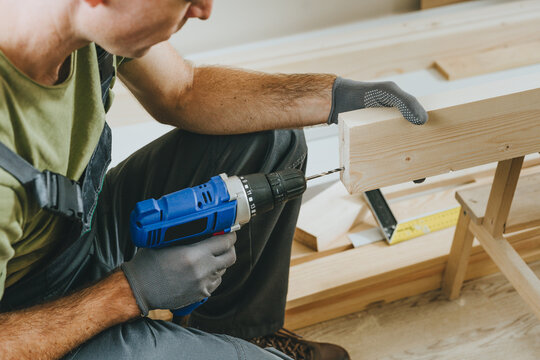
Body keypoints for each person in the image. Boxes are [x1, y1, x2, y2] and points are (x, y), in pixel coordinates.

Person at [0, 0, 427, 359]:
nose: (204, 10)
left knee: (271, 141)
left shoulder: (76, 20)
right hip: (29, 318)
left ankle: (240, 330)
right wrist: (132, 291)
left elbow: (183, 90)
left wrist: (337, 97)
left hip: (83, 231)